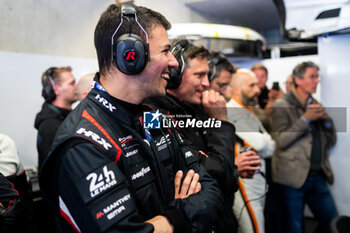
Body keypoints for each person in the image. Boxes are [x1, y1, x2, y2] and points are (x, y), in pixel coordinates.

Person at [39, 3, 223, 233]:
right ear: (130, 56)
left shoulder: (154, 118)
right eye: (165, 51)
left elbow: (213, 192)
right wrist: (181, 213)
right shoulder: (83, 143)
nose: (174, 62)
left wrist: (164, 223)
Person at [146, 40, 244, 233]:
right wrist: (222, 121)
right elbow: (221, 174)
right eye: (199, 75)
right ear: (174, 75)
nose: (206, 84)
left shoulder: (197, 110)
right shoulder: (157, 117)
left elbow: (227, 175)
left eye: (207, 75)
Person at [270, 61, 338, 233]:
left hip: (318, 176)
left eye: (317, 77)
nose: (317, 81)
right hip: (293, 178)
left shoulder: (315, 103)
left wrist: (328, 122)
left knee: (333, 223)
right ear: (298, 80)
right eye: (312, 77)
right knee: (295, 227)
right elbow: (281, 141)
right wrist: (305, 119)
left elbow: (329, 141)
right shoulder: (281, 105)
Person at [226, 69, 275, 233]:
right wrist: (264, 143)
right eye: (252, 85)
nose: (258, 90)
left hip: (259, 180)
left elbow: (271, 147)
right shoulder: (230, 110)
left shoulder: (247, 111)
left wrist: (264, 143)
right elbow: (262, 144)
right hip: (245, 183)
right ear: (238, 88)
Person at [34, 66, 78, 169]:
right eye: (72, 83)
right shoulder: (50, 125)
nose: (76, 86)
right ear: (56, 89)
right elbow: (53, 170)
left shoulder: (66, 116)